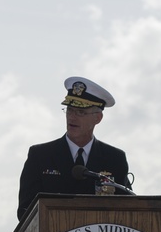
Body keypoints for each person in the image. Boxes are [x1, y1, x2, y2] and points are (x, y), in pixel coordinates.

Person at [16, 77, 131, 221]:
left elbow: (129, 208)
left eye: (81, 112)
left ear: (98, 118)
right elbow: (24, 211)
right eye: (69, 110)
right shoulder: (40, 156)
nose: (72, 118)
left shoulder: (114, 159)